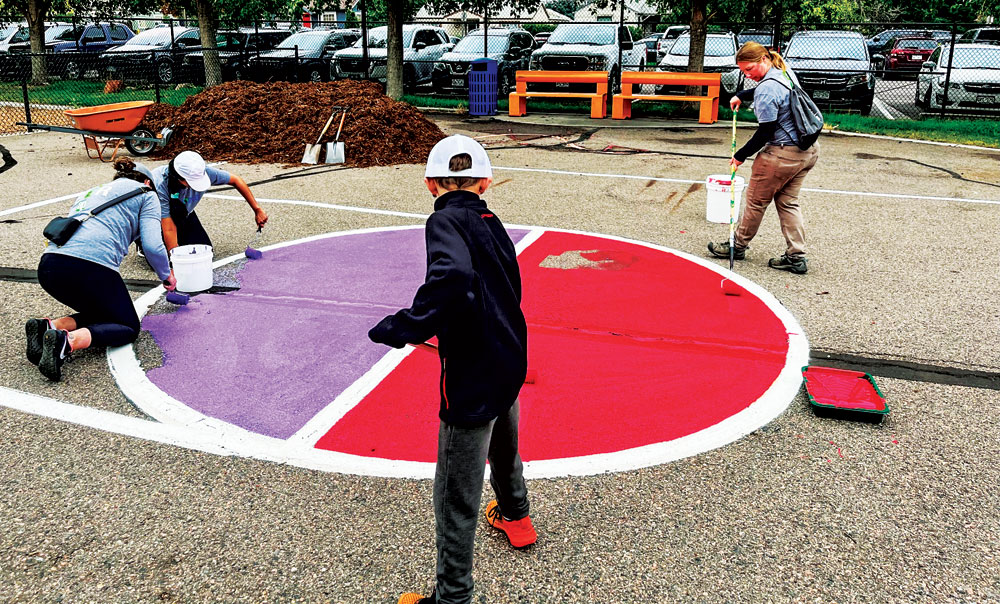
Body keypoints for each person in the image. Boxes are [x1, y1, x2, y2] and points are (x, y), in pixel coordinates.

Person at [367, 135, 536, 604]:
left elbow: (454, 279)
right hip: (509, 352)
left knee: (455, 494)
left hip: (472, 368)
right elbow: (508, 282)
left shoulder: (442, 220)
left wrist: (406, 325)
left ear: (429, 183)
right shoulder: (489, 218)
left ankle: (452, 597)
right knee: (504, 446)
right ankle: (516, 516)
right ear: (485, 182)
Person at [26, 158, 176, 382]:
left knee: (106, 314)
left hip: (50, 266)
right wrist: (167, 275)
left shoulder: (91, 192)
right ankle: (66, 341)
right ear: (146, 181)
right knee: (127, 326)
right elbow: (153, 245)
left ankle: (48, 327)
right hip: (88, 267)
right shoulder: (146, 192)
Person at [708, 41, 820, 274]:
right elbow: (768, 90)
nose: (747, 75)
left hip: (781, 154)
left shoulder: (766, 89)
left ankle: (737, 247)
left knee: (756, 201)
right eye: (743, 72)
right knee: (788, 202)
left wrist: (740, 155)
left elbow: (765, 131)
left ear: (763, 60)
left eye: (749, 69)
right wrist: (743, 94)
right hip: (806, 152)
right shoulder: (784, 72)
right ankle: (796, 256)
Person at [149, 150, 268, 254]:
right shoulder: (160, 185)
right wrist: (174, 259)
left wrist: (257, 209)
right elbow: (168, 227)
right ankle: (145, 240)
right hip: (156, 218)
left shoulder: (201, 171)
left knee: (203, 250)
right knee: (161, 257)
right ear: (178, 178)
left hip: (183, 212)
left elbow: (236, 180)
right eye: (191, 182)